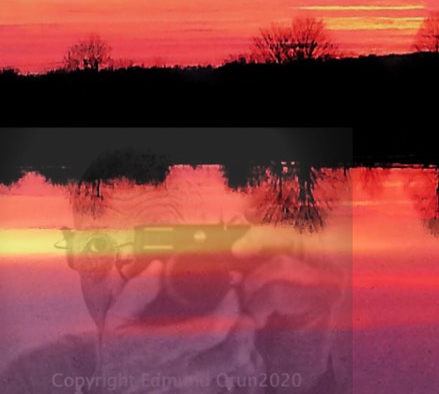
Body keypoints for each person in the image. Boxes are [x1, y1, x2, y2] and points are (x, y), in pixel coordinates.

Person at [1, 151, 351, 394]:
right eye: (95, 249)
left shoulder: (248, 357)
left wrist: (303, 379)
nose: (116, 283)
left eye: (147, 250)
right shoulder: (37, 378)